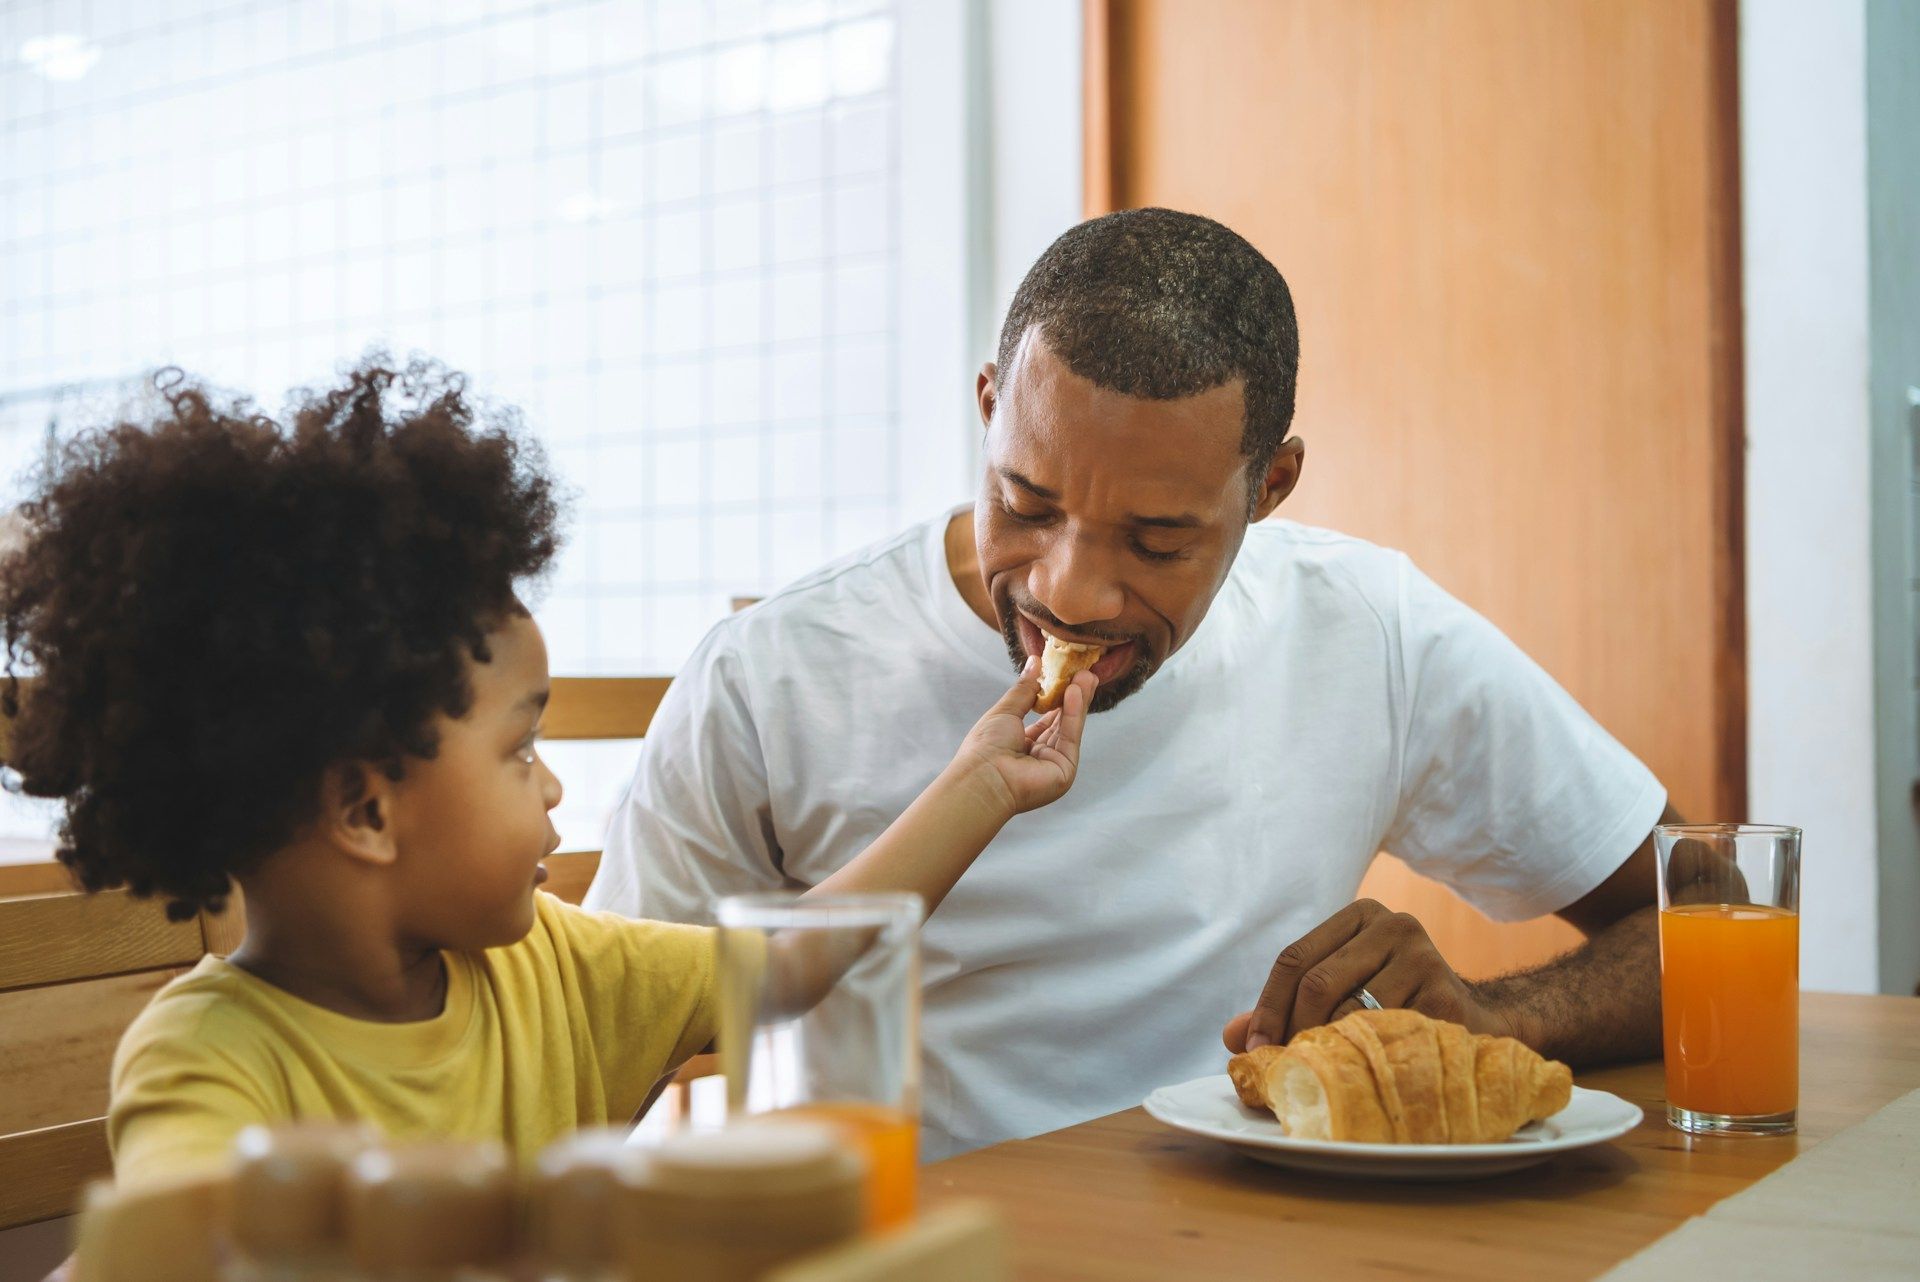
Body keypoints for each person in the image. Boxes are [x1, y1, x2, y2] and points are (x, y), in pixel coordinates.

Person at [587, 209, 1675, 1159]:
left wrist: (1489, 1016)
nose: (1072, 593)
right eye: (1027, 503)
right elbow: (590, 1049)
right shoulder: (774, 675)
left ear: (1270, 486)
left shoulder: (1372, 629)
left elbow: (1706, 917)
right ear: (986, 406)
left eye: (1157, 541)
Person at [0, 360, 1093, 1190]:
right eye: (522, 747)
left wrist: (981, 785)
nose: (555, 789)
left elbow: (794, 965)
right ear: (367, 809)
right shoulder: (206, 1062)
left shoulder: (554, 967)